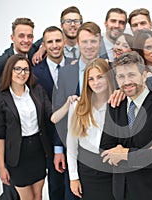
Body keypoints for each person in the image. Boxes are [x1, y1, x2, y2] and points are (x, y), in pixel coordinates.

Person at [100, 51, 152, 200]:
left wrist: (125, 154)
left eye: (131, 75)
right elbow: (105, 148)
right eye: (121, 76)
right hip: (122, 191)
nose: (126, 81)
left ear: (144, 75)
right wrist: (146, 152)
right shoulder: (115, 105)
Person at [0, 17, 40, 200]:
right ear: (12, 37)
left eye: (30, 36)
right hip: (9, 135)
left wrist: (44, 45)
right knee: (11, 188)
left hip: (31, 137)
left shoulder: (33, 50)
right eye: (21, 36)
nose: (26, 40)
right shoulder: (0, 62)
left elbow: (42, 42)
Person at [52, 21, 103, 200]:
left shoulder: (110, 70)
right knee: (73, 192)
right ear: (77, 43)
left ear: (100, 42)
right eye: (85, 41)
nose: (89, 46)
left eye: (93, 41)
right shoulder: (66, 72)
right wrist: (58, 149)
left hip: (102, 150)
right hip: (73, 146)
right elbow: (59, 112)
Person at [51, 58, 115, 199]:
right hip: (88, 171)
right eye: (91, 79)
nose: (96, 82)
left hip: (113, 170)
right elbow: (72, 145)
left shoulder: (117, 103)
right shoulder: (78, 105)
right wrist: (73, 177)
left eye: (100, 77)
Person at [0, 54, 53, 200]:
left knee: (38, 196)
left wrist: (69, 105)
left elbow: (51, 115)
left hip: (38, 151)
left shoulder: (37, 90)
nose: (22, 73)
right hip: (18, 156)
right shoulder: (1, 98)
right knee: (26, 198)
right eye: (17, 69)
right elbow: (0, 136)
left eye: (26, 69)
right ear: (10, 70)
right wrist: (2, 167)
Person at [32, 26, 70, 200]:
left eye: (57, 40)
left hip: (74, 136)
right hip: (48, 139)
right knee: (55, 187)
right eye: (50, 42)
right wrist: (56, 148)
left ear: (64, 42)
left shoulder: (76, 65)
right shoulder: (34, 73)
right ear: (44, 45)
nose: (55, 45)